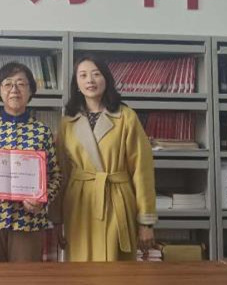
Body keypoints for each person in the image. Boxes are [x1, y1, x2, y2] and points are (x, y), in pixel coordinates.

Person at [53, 55, 157, 261]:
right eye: (83, 75)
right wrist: (57, 219)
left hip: (116, 198)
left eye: (96, 74)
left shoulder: (126, 116)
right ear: (76, 83)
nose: (90, 80)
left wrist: (146, 222)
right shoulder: (67, 122)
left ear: (106, 79)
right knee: (81, 266)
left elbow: (142, 171)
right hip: (79, 203)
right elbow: (61, 172)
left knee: (116, 269)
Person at [0, 61, 61, 262]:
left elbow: (55, 175)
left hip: (28, 221)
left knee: (25, 276)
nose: (14, 89)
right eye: (8, 84)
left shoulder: (42, 131)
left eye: (21, 84)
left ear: (31, 90)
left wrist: (42, 200)